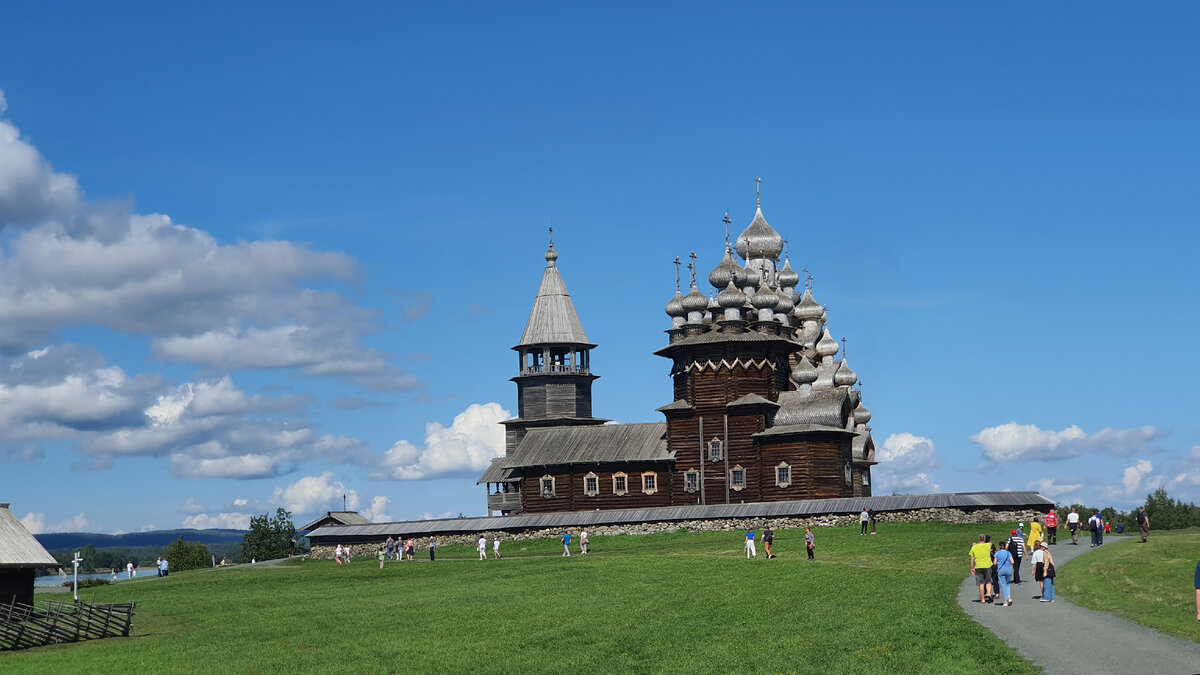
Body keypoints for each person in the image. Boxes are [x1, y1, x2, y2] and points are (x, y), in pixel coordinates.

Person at [969, 535, 994, 603]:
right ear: (984, 539)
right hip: (987, 565)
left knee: (981, 583)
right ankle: (988, 593)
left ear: (978, 539)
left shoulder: (974, 547)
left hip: (978, 566)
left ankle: (983, 599)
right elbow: (991, 543)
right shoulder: (988, 545)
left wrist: (972, 567)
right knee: (988, 581)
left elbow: (972, 558)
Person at [994, 539, 1014, 606]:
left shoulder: (997, 553)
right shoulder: (1008, 553)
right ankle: (1009, 597)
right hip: (1008, 569)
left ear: (999, 546)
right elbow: (1012, 562)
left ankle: (1005, 601)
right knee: (1007, 584)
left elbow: (994, 562)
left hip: (1001, 569)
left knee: (1003, 585)